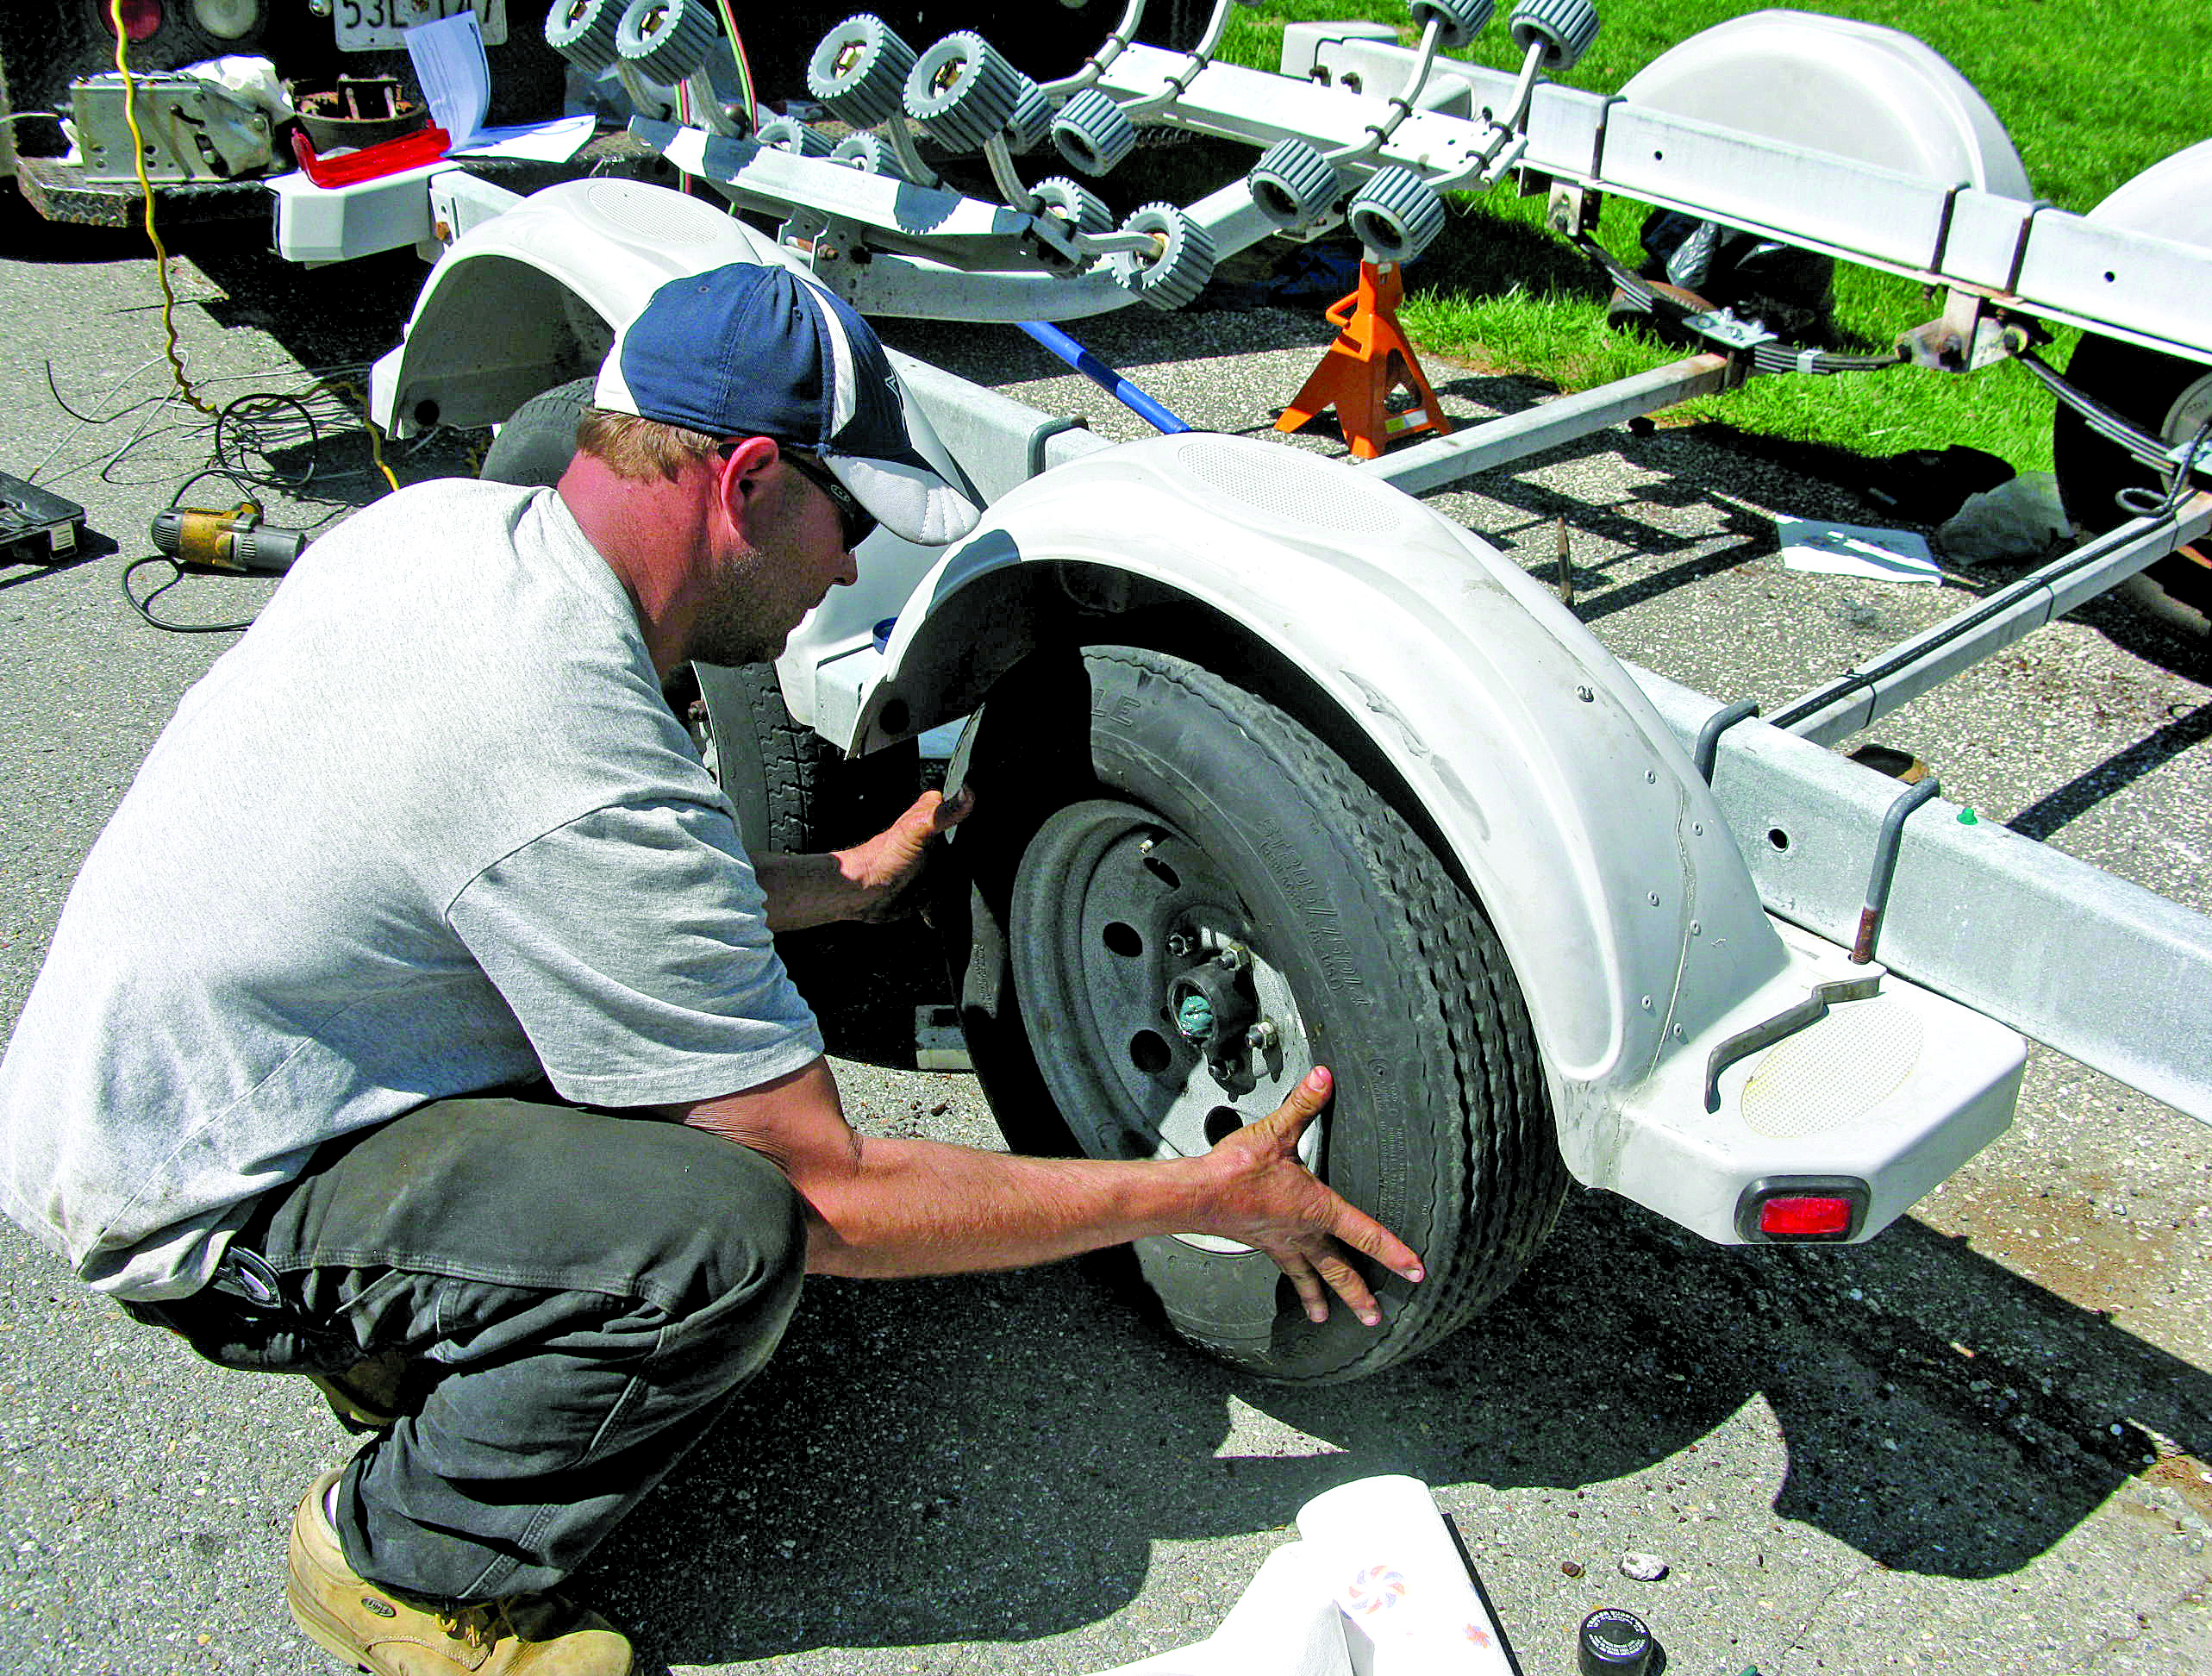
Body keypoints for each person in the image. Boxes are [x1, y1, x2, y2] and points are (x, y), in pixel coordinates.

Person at [0, 262, 1422, 1675]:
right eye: (847, 517)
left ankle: (446, 1323)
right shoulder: (571, 749)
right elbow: (832, 1199)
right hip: (203, 1196)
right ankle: (402, 1563)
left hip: (180, 1076)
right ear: (745, 485)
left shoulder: (449, 534)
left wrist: (848, 884)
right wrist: (1205, 1197)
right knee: (721, 1234)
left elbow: (549, 877)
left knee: (675, 1157)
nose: (853, 565)